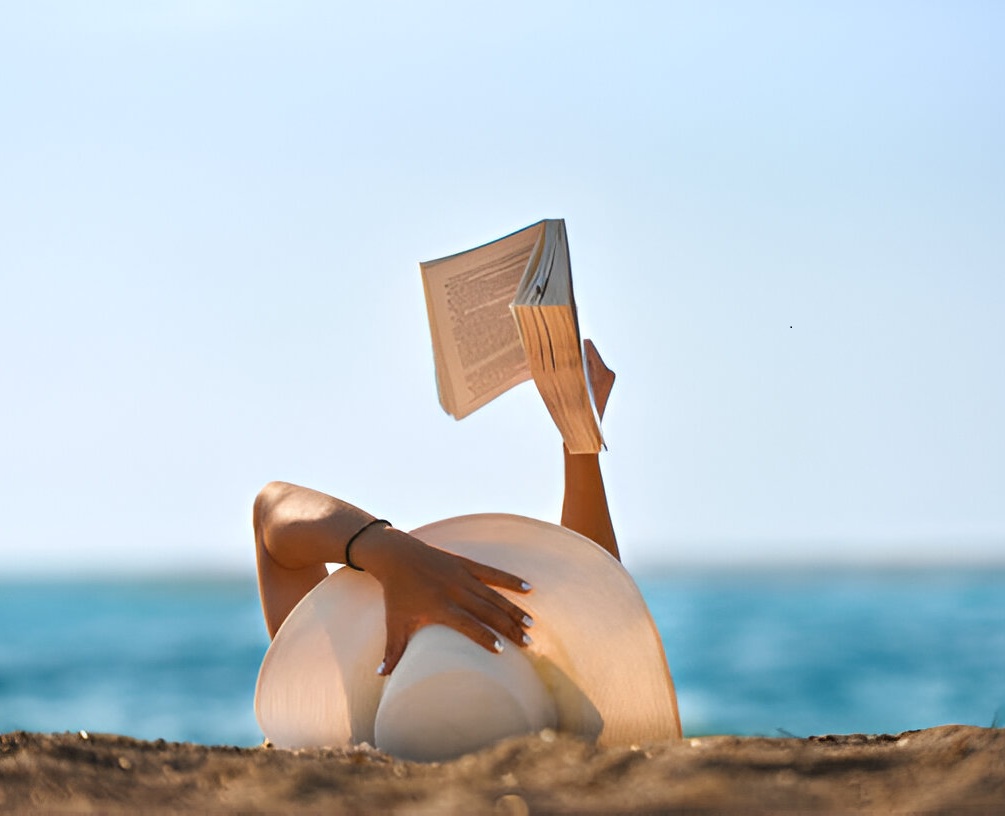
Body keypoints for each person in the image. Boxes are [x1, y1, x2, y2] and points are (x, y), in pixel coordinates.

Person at [253, 340, 620, 677]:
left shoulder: (340, 709)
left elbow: (273, 508)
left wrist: (393, 555)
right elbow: (598, 593)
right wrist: (580, 440)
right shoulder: (561, 718)